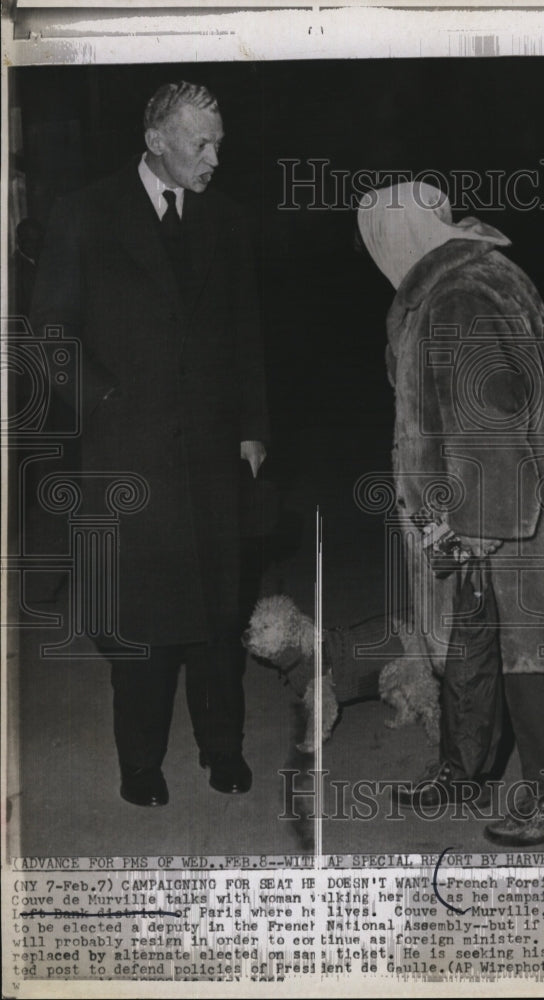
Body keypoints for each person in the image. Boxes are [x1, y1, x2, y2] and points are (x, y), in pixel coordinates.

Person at [357, 182, 544, 845]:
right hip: (518, 497)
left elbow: (492, 419)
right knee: (471, 647)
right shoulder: (481, 273)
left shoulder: (455, 298)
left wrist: (479, 523)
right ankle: (464, 767)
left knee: (525, 658)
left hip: (503, 514)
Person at [30, 81, 269, 807]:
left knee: (217, 616)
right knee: (139, 624)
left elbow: (247, 333)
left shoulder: (225, 221)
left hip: (212, 454)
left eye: (219, 142)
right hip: (125, 454)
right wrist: (104, 401)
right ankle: (140, 763)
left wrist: (255, 426)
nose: (215, 157)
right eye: (202, 143)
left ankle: (220, 747)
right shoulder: (85, 214)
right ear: (157, 140)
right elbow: (48, 337)